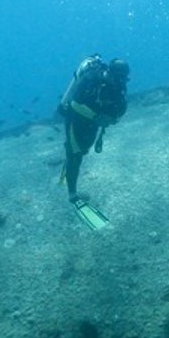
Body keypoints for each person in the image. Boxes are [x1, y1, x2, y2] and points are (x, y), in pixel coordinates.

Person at [58, 54, 129, 227]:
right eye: (117, 77)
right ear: (109, 72)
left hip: (91, 123)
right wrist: (98, 117)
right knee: (76, 155)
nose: (120, 81)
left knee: (82, 151)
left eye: (123, 78)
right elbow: (74, 104)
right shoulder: (91, 79)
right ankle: (72, 195)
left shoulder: (118, 86)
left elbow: (119, 109)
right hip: (75, 119)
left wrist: (111, 119)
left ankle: (69, 166)